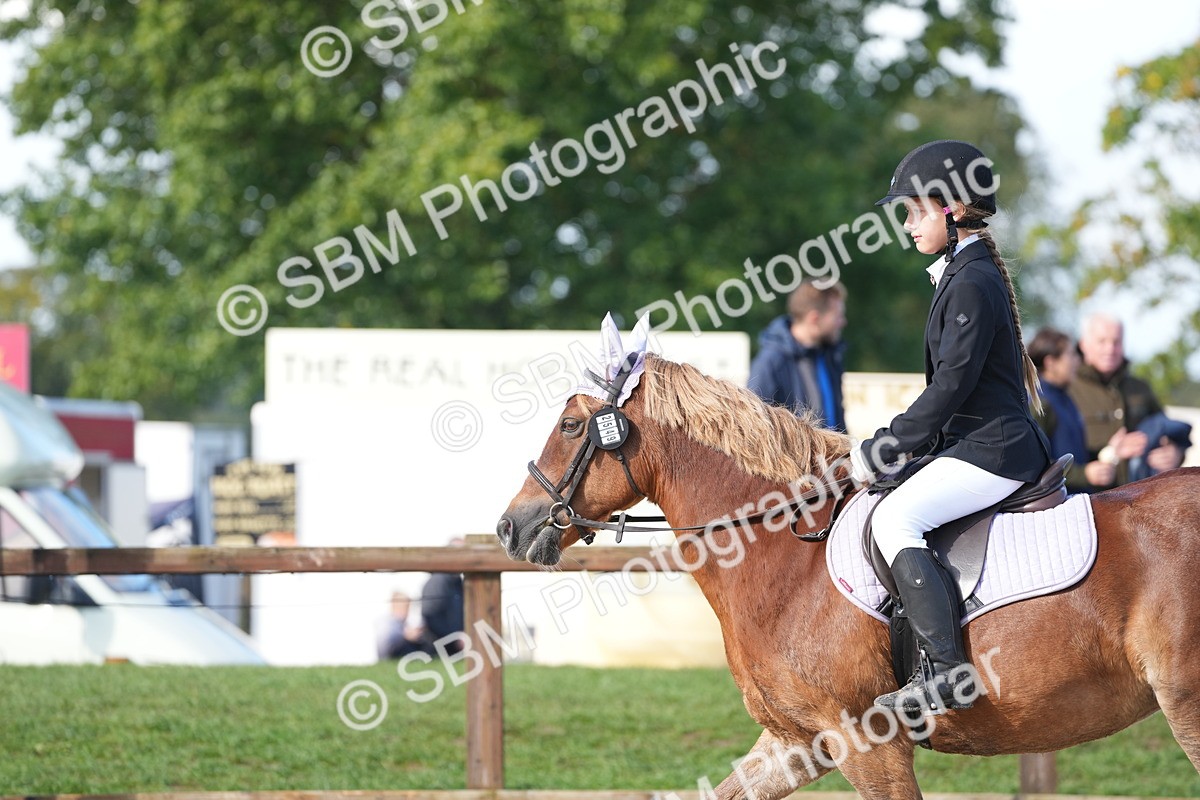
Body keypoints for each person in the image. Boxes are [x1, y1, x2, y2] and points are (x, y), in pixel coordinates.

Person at [849, 140, 1052, 713]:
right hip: (976, 444)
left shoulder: (970, 281)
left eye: (916, 212)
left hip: (994, 450)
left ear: (953, 208)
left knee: (896, 519)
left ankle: (946, 673)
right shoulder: (966, 274)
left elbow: (950, 388)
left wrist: (884, 447)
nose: (908, 225)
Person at [1069, 314, 1187, 488]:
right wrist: (1109, 454)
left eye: (1116, 342)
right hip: (1090, 496)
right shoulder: (1068, 390)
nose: (1110, 349)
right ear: (1083, 345)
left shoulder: (1140, 388)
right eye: (1102, 341)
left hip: (1141, 495)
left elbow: (1166, 429)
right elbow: (1055, 456)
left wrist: (1175, 454)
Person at [1028, 327, 1137, 492]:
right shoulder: (1039, 403)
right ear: (1051, 363)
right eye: (1071, 355)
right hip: (1057, 503)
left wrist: (1109, 450)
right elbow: (1034, 466)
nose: (1077, 361)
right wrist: (1084, 475)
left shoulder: (1066, 398)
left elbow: (1073, 454)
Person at [747, 280, 848, 431]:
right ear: (814, 318)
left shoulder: (830, 357)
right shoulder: (770, 363)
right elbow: (754, 428)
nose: (843, 322)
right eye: (837, 316)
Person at [377, 590, 432, 660]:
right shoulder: (387, 622)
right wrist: (405, 636)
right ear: (394, 605)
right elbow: (388, 641)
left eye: (407, 606)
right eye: (404, 606)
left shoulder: (403, 623)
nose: (406, 610)